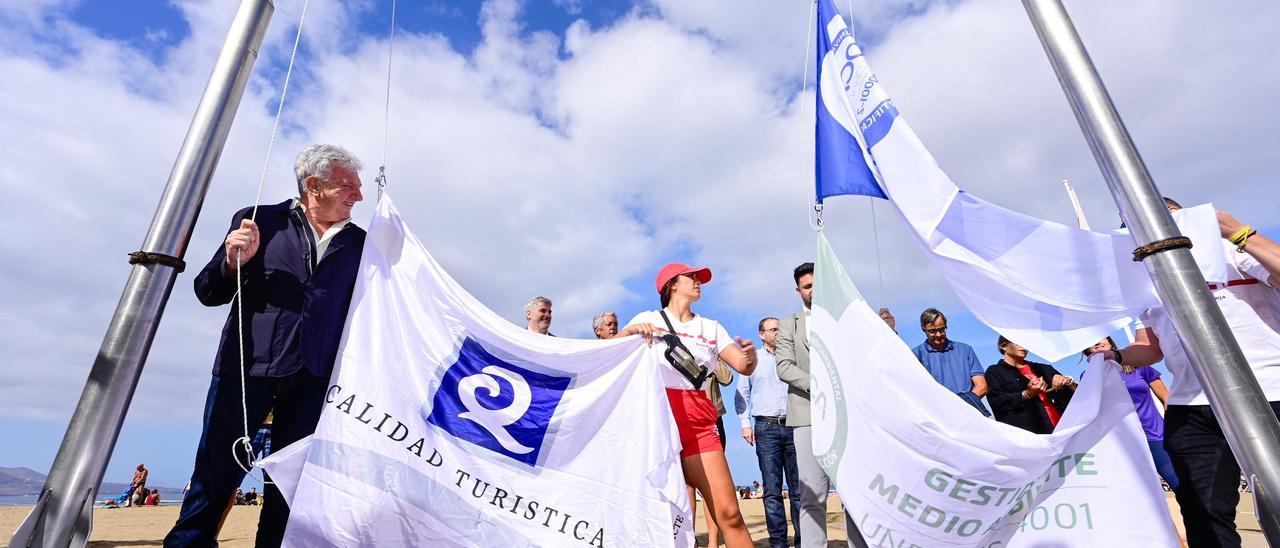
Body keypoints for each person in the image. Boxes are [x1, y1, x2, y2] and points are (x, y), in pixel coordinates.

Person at [166, 145, 367, 547]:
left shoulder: (364, 243)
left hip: (315, 379)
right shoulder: (258, 220)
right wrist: (231, 263)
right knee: (215, 472)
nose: (358, 196)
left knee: (291, 487)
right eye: (348, 187)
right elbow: (208, 291)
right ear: (314, 185)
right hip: (244, 369)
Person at [1099, 198, 1280, 547]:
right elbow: (1150, 347)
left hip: (1267, 392)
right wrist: (1115, 355)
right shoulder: (1144, 281)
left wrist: (1239, 232)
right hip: (1193, 408)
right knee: (1204, 512)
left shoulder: (1231, 252)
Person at [617, 262, 758, 547]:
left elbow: (742, 366)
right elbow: (608, 353)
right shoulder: (648, 318)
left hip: (698, 421)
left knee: (729, 513)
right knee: (661, 521)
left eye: (699, 278)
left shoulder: (711, 327)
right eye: (691, 277)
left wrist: (750, 357)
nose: (698, 282)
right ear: (671, 284)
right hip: (655, 418)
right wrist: (631, 332)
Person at [776, 262, 866, 548]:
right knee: (812, 495)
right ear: (798, 290)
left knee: (854, 493)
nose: (813, 290)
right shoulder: (789, 324)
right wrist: (820, 384)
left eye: (817, 284)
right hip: (807, 417)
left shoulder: (847, 319)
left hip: (847, 416)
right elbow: (784, 367)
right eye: (807, 286)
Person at [735, 316, 801, 548]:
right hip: (766, 427)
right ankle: (778, 544)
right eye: (772, 330)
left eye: (779, 329)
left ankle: (802, 542)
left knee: (798, 491)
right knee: (772, 491)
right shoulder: (753, 361)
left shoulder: (793, 356)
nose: (777, 333)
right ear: (761, 334)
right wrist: (745, 424)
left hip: (795, 425)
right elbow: (742, 393)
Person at [1081, 337, 1178, 490]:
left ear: (1110, 341)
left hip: (1155, 436)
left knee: (1180, 484)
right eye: (1091, 341)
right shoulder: (1088, 377)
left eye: (1099, 336)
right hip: (1123, 443)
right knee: (1134, 492)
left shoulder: (1140, 366)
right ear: (1087, 350)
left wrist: (1175, 428)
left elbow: (1167, 398)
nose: (1096, 341)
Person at [985, 336, 1075, 434]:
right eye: (1018, 343)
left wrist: (1067, 382)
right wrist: (1026, 394)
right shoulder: (994, 372)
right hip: (1027, 436)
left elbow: (1076, 396)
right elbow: (996, 401)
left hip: (1060, 430)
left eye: (1027, 343)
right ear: (1004, 346)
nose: (1024, 347)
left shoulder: (1043, 368)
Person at [911, 309, 991, 416]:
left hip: (969, 414)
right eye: (932, 331)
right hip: (938, 416)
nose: (938, 334)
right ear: (923, 328)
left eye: (941, 329)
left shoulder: (965, 350)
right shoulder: (915, 356)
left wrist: (958, 406)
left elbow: (982, 387)